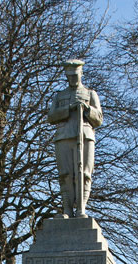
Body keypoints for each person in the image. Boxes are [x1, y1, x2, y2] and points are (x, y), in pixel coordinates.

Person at [48, 59, 103, 218]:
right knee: (65, 174)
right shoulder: (60, 96)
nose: (72, 79)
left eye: (75, 75)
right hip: (64, 136)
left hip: (85, 136)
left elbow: (99, 119)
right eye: (69, 76)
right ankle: (67, 209)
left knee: (84, 174)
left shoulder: (90, 94)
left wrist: (87, 109)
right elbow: (51, 117)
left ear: (81, 74)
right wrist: (68, 108)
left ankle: (81, 208)